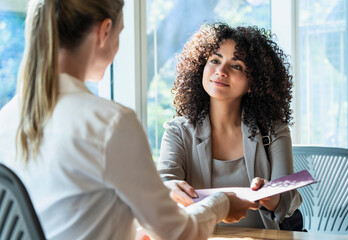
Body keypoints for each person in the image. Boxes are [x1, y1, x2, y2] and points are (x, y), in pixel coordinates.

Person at [0, 2, 259, 240]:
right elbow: (178, 233)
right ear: (104, 31)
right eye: (120, 33)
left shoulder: (7, 118)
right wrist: (221, 204)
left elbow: (68, 217)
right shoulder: (110, 123)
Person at [157, 23, 302, 229]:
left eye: (236, 66)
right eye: (215, 60)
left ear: (255, 81)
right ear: (201, 67)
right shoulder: (178, 131)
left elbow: (287, 201)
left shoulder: (274, 130)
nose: (221, 71)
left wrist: (269, 196)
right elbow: (164, 184)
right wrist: (169, 188)